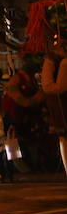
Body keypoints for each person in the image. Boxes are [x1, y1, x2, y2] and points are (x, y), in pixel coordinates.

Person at [41, 40, 67, 176]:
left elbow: (54, 87)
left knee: (63, 138)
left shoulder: (63, 63)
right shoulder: (60, 62)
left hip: (62, 108)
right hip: (60, 108)